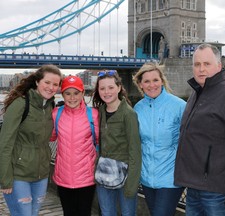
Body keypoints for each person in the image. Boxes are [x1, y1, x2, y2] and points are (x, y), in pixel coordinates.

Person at [174, 43, 225, 216]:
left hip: (217, 189)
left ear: (219, 66)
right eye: (197, 64)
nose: (201, 69)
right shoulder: (197, 93)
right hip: (194, 186)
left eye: (207, 64)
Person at [0, 64, 62, 216]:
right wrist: (5, 178)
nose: (51, 87)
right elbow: (5, 143)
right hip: (18, 174)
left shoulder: (50, 106)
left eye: (55, 84)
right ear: (37, 82)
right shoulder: (20, 104)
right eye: (47, 82)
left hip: (41, 174)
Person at [133, 62, 186, 216]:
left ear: (162, 80)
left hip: (171, 177)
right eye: (147, 81)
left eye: (155, 80)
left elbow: (192, 140)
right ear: (140, 84)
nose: (152, 85)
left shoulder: (179, 106)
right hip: (147, 178)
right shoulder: (138, 109)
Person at [92, 70, 141, 216]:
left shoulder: (129, 114)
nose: (106, 92)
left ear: (119, 87)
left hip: (125, 175)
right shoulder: (99, 111)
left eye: (111, 87)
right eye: (102, 88)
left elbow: (135, 150)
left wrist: (132, 185)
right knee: (107, 213)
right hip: (103, 173)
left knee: (127, 213)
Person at [50, 75, 99, 216]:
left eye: (76, 93)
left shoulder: (93, 115)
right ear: (62, 95)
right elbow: (51, 137)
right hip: (63, 177)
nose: (72, 98)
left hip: (87, 179)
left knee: (84, 213)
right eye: (68, 93)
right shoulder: (56, 114)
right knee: (68, 213)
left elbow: (101, 140)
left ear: (83, 93)